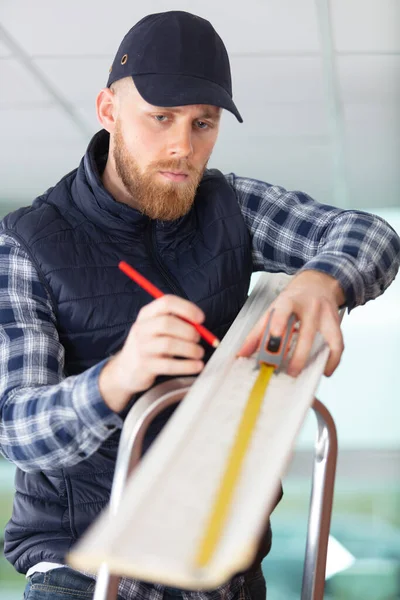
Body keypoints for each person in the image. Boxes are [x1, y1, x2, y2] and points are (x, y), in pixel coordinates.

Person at [0, 9, 399, 600]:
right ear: (109, 110)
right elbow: (16, 428)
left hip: (224, 577)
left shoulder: (229, 205)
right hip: (85, 579)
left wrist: (322, 280)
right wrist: (116, 380)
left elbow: (373, 235)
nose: (182, 148)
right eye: (160, 119)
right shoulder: (27, 243)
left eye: (203, 123)